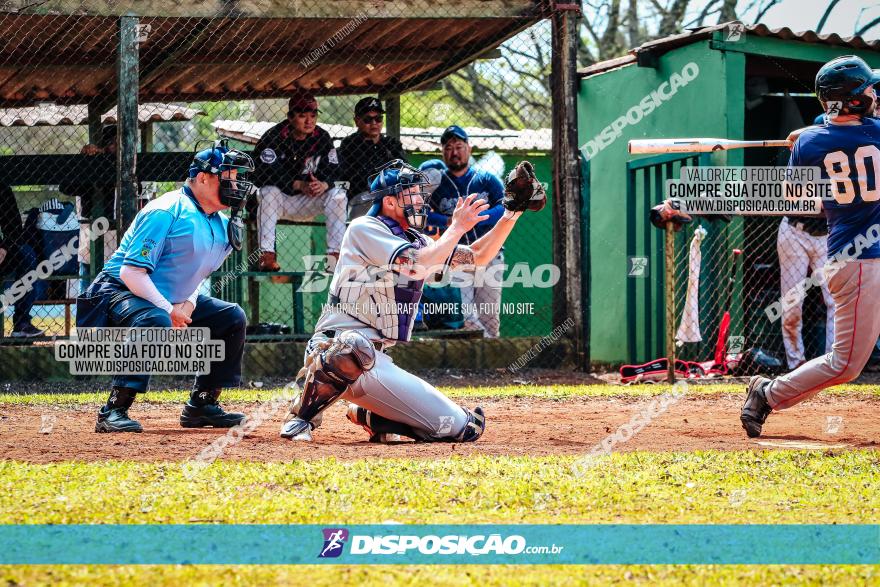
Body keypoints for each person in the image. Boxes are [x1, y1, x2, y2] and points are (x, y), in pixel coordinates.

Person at [277, 159, 545, 443]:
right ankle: (300, 417)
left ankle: (371, 416)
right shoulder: (363, 228)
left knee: (459, 428)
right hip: (334, 349)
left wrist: (511, 212)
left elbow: (477, 258)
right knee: (354, 347)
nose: (421, 199)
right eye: (413, 193)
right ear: (390, 201)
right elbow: (416, 265)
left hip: (376, 362)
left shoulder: (418, 240)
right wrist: (456, 227)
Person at [741, 55, 880, 438]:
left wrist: (808, 138)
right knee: (846, 365)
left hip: (849, 253)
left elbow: (796, 195)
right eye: (868, 90)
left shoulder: (811, 143)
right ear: (852, 100)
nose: (874, 93)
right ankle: (767, 393)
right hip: (862, 261)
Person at [77, 141, 253, 433]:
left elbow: (197, 274)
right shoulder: (166, 210)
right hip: (114, 291)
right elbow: (131, 272)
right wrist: (168, 309)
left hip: (163, 298)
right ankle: (113, 410)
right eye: (229, 176)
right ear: (202, 178)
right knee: (153, 319)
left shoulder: (221, 223)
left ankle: (202, 405)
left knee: (231, 317)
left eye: (237, 177)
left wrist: (187, 304)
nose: (235, 184)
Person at [419, 126, 506, 337]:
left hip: (491, 253)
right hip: (457, 255)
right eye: (448, 148)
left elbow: (505, 205)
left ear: (469, 148)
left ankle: (490, 361)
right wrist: (448, 220)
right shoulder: (439, 184)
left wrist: (477, 217)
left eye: (459, 146)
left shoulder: (486, 178)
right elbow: (421, 215)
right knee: (467, 317)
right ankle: (482, 356)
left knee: (489, 316)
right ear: (442, 152)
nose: (454, 152)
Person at [252, 92, 346, 272]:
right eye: (302, 115)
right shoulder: (273, 137)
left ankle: (334, 256)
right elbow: (262, 175)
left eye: (313, 115)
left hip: (310, 200)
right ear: (290, 117)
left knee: (338, 196)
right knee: (268, 192)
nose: (309, 121)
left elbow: (335, 169)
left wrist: (324, 184)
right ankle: (267, 256)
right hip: (281, 202)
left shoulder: (322, 137)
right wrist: (297, 184)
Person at [337, 97, 407, 220]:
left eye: (378, 118)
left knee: (431, 175)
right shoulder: (349, 145)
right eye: (368, 119)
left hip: (392, 196)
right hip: (364, 198)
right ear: (357, 121)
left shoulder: (391, 144)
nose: (374, 123)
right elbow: (349, 178)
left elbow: (404, 170)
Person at [0, 183, 43, 337]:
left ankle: (22, 323)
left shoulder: (2, 188)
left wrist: (4, 248)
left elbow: (14, 227)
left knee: (27, 254)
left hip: (2, 251)